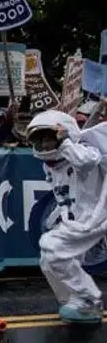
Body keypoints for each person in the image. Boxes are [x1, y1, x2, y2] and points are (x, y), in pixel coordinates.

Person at [27, 110, 107, 324]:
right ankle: (74, 302)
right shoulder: (50, 165)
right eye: (40, 140)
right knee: (48, 259)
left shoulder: (82, 150)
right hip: (73, 220)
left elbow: (86, 161)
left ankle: (87, 301)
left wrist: (65, 143)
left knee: (54, 251)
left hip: (95, 217)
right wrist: (55, 218)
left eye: (48, 138)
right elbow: (62, 195)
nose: (44, 145)